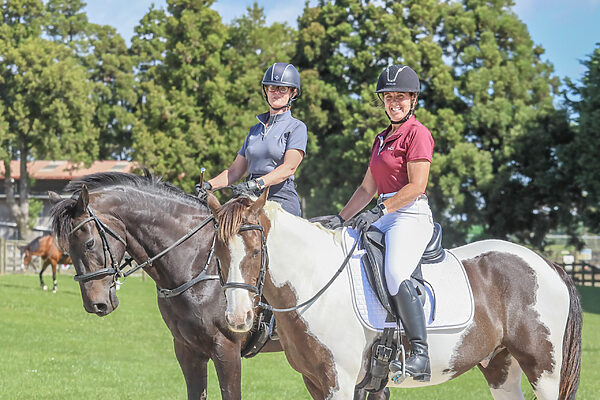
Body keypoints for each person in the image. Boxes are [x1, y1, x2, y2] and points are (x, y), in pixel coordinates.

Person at [321, 64, 434, 382]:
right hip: (385, 213)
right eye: (388, 97)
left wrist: (380, 211)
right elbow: (366, 189)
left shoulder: (418, 134)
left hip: (409, 214)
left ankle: (420, 354)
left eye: (400, 96)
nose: (393, 102)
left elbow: (416, 187)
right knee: (344, 253)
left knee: (396, 272)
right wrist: (340, 219)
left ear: (413, 99)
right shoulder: (381, 139)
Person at [195, 63, 307, 216]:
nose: (276, 93)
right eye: (271, 88)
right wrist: (209, 185)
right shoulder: (255, 130)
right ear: (266, 90)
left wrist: (257, 183)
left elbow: (289, 168)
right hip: (250, 197)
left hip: (280, 198)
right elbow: (234, 172)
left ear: (293, 93)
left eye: (282, 89)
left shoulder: (296, 127)